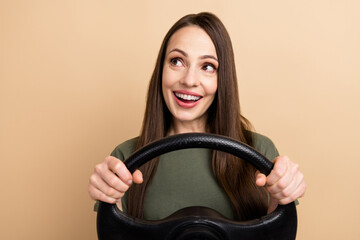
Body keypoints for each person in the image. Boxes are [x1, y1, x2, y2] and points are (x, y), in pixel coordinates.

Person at [88, 12, 306, 221]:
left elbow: (276, 233)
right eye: (177, 61)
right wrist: (110, 199)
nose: (189, 80)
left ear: (223, 80)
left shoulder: (259, 152)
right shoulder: (126, 158)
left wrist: (283, 194)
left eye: (208, 66)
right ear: (160, 70)